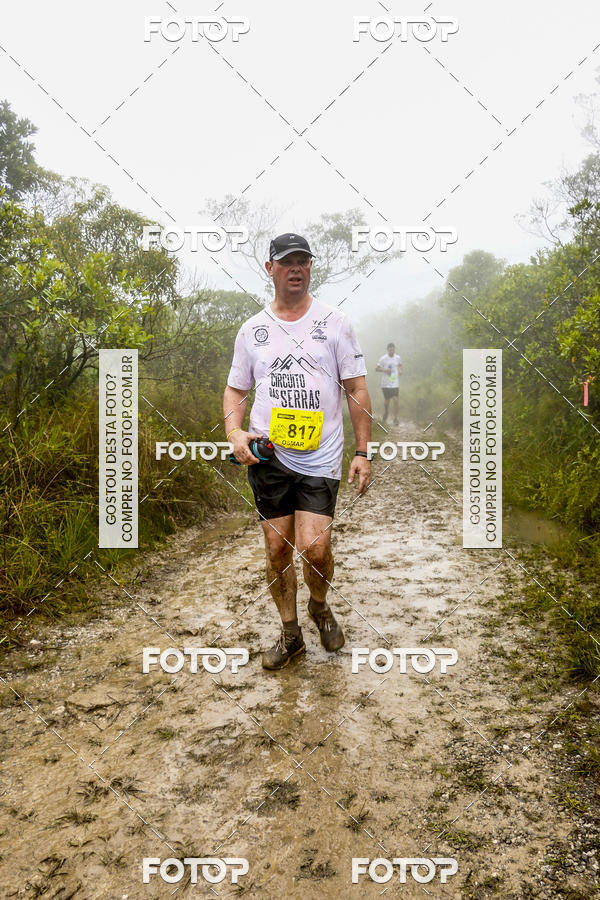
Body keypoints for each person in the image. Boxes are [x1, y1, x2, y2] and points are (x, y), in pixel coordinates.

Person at [223, 232, 372, 670]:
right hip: (268, 455)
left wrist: (363, 451)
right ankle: (291, 635)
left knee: (317, 549)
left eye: (303, 262)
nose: (295, 269)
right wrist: (235, 433)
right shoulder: (253, 331)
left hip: (321, 456)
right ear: (269, 268)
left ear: (310, 268)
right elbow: (236, 388)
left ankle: (319, 605)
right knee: (277, 551)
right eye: (286, 262)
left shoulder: (336, 323)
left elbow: (357, 387)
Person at [376, 342, 402, 425]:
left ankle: (396, 418)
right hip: (385, 383)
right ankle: (386, 412)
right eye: (390, 350)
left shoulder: (397, 357)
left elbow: (400, 365)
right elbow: (376, 368)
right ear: (387, 350)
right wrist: (384, 370)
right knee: (387, 401)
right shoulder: (383, 358)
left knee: (395, 399)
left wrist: (400, 370)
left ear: (394, 349)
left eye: (393, 350)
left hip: (395, 383)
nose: (391, 351)